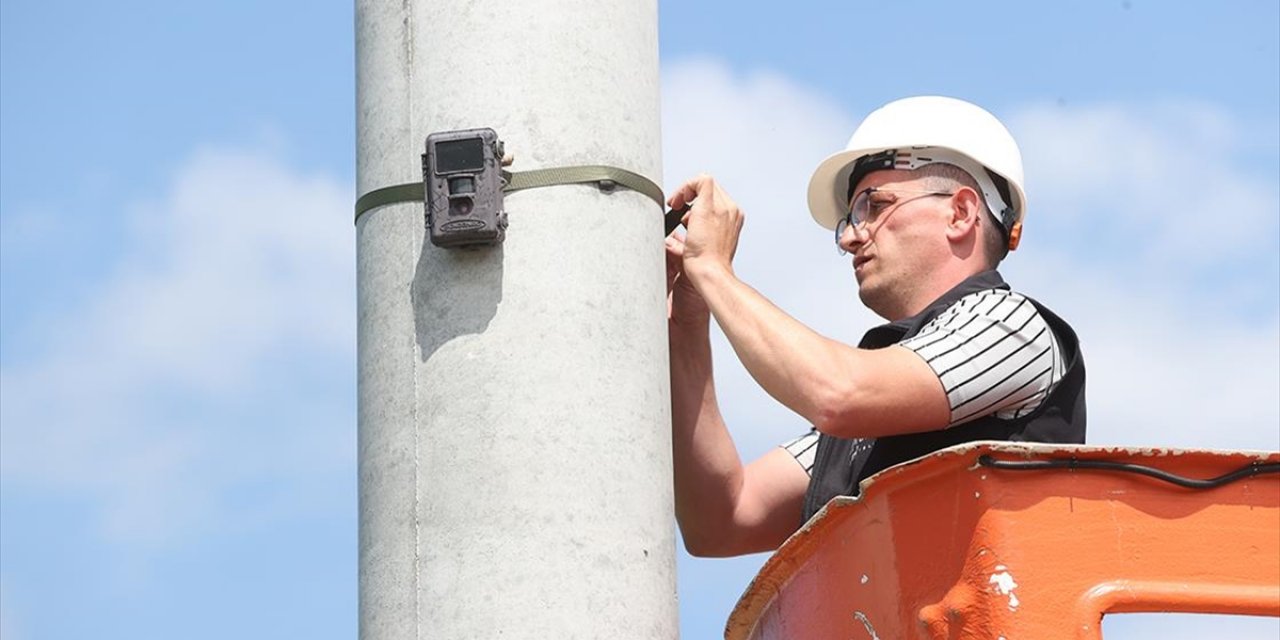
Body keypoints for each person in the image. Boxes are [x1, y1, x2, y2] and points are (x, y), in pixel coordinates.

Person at [665, 96, 1086, 558]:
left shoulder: (1010, 325)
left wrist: (713, 270)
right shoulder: (870, 415)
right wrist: (688, 320)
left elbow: (839, 392)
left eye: (873, 205)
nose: (849, 236)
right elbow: (721, 521)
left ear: (961, 213)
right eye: (851, 217)